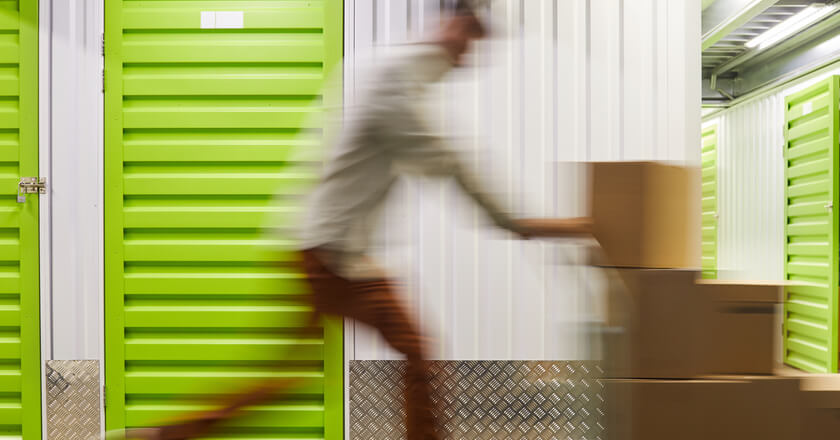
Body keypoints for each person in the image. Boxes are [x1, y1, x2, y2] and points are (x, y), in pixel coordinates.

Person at [123, 1, 591, 439]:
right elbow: (455, 167)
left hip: (333, 250)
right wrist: (538, 225)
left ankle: (165, 434)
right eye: (475, 39)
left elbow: (437, 159)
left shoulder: (393, 71)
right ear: (458, 25)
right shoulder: (397, 83)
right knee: (411, 353)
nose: (474, 53)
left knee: (306, 371)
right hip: (329, 256)